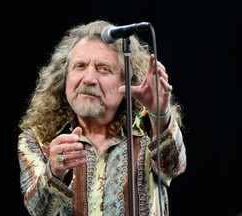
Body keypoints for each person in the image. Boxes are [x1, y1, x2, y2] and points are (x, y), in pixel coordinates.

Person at [17, 19, 187, 216]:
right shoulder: (38, 139)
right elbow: (38, 210)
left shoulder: (149, 128)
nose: (89, 79)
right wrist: (54, 172)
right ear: (65, 77)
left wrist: (160, 115)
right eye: (80, 66)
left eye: (103, 69)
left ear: (127, 81)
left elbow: (174, 166)